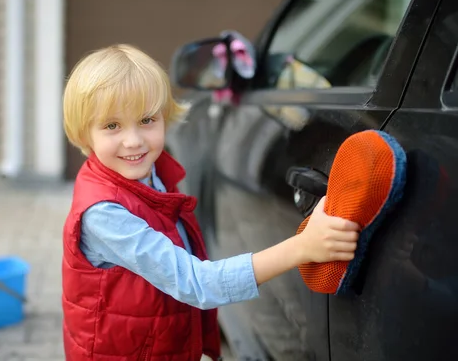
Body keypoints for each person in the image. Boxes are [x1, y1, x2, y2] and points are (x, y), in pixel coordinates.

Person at [61, 44, 360, 361]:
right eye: (112, 126)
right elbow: (197, 283)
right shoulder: (104, 214)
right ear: (84, 134)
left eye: (147, 120)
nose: (134, 140)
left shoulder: (148, 175)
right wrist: (302, 247)